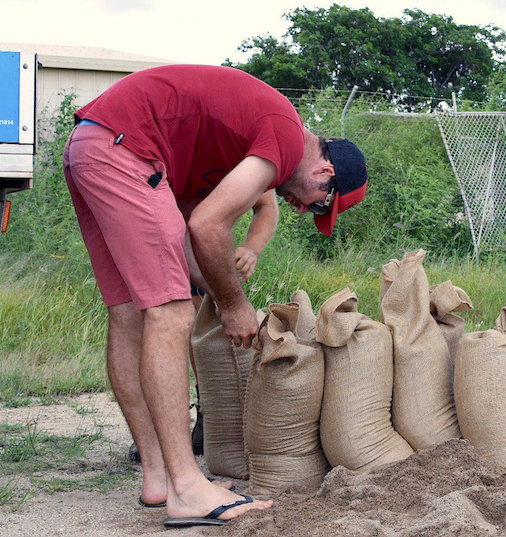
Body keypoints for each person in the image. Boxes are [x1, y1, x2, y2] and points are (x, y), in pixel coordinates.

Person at [62, 64, 368, 527]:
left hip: (94, 145)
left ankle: (160, 476)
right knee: (169, 313)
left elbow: (185, 239)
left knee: (130, 313)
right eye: (320, 203)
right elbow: (207, 227)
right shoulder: (285, 138)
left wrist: (231, 297)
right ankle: (186, 489)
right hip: (125, 148)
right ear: (325, 170)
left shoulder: (223, 153)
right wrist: (233, 305)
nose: (304, 209)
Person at [127, 189, 279, 462]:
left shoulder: (244, 158)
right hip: (153, 232)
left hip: (202, 245)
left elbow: (266, 205)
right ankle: (155, 429)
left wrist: (252, 248)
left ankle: (207, 415)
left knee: (200, 323)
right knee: (150, 325)